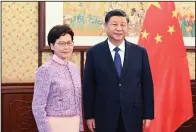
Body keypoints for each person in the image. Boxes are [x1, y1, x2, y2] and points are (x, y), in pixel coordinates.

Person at [82, 9, 154, 132]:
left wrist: (148, 114)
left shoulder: (140, 52)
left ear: (127, 28)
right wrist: (89, 115)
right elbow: (89, 87)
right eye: (114, 24)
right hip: (104, 115)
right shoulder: (94, 53)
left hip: (133, 115)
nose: (119, 28)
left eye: (123, 25)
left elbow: (147, 85)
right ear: (106, 26)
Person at [32, 24, 84, 132]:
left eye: (69, 43)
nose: (66, 47)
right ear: (52, 45)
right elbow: (38, 106)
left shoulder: (74, 68)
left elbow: (78, 101)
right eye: (61, 43)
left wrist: (80, 126)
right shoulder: (45, 70)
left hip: (74, 123)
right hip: (54, 124)